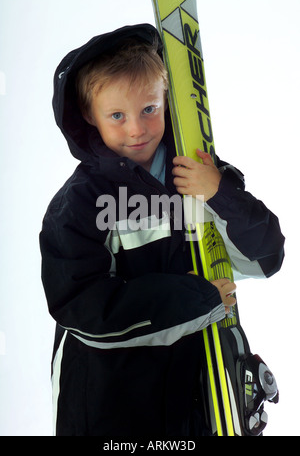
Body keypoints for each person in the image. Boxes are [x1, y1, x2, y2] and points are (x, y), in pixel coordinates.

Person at [39, 24, 284, 436]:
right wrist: (195, 300)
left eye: (149, 109)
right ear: (89, 115)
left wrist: (220, 194)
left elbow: (265, 258)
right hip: (114, 400)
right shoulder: (79, 204)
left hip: (199, 389)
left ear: (166, 100)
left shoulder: (201, 176)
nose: (137, 129)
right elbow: (80, 304)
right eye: (117, 116)